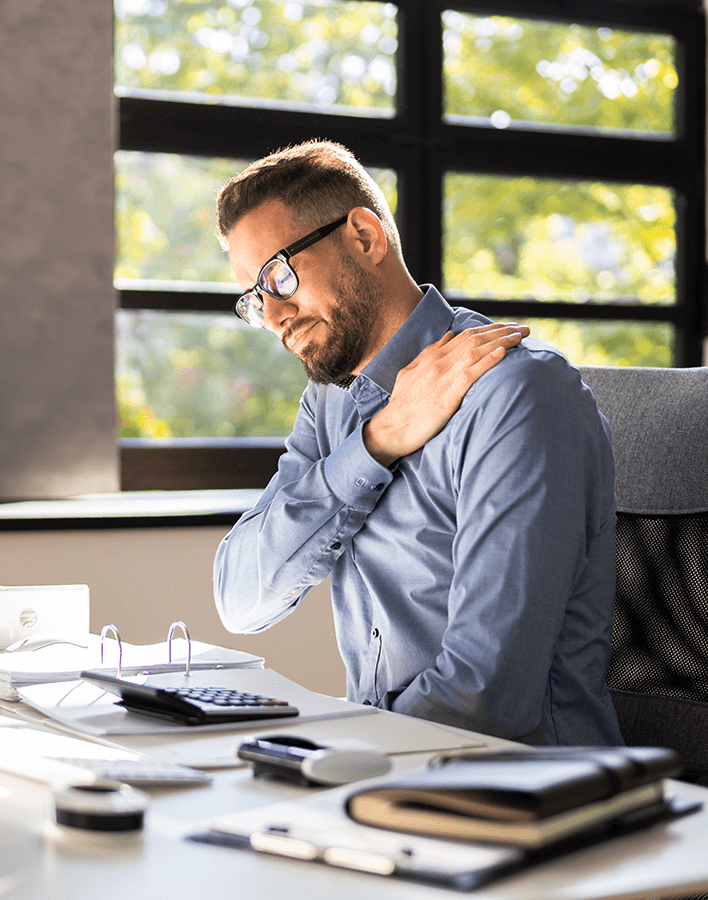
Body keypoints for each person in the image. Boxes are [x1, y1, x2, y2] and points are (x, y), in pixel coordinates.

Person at [212, 140, 622, 746]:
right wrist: (376, 443)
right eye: (255, 297)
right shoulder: (332, 404)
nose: (273, 316)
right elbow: (241, 598)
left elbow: (485, 698)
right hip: (395, 774)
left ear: (365, 237)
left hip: (517, 791)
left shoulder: (515, 396)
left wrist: (338, 757)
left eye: (279, 275)